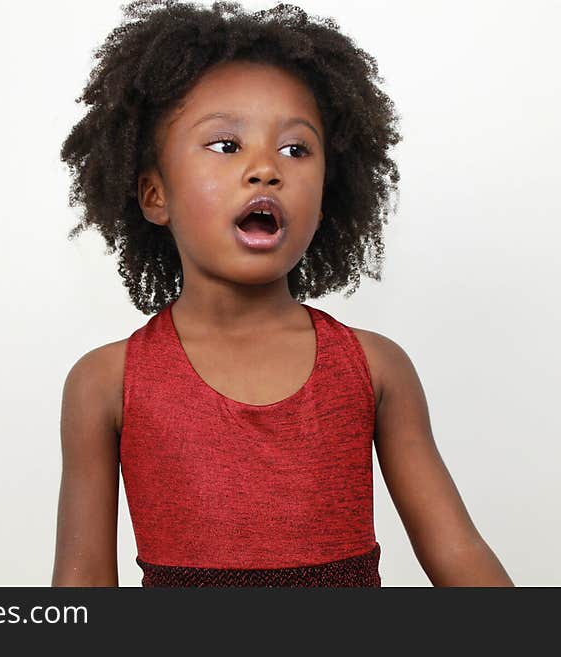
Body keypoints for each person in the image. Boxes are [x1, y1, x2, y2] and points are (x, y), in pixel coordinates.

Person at [51, 0, 514, 587]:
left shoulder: (374, 368)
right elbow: (82, 585)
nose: (266, 169)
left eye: (296, 150)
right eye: (226, 145)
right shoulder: (106, 382)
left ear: (324, 201)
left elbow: (461, 556)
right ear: (154, 195)